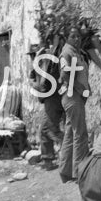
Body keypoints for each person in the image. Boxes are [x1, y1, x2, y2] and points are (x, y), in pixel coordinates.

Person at [57, 25, 101, 183]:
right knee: (80, 134)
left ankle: (65, 171)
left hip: (75, 96)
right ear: (67, 38)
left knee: (71, 133)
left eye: (78, 36)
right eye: (73, 36)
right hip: (72, 96)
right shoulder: (67, 52)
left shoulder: (76, 52)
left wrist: (86, 88)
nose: (76, 39)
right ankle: (79, 172)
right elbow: (64, 75)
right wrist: (80, 89)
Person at [28, 38, 64, 170]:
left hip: (53, 99)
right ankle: (48, 159)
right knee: (44, 130)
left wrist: (34, 85)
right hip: (50, 99)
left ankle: (69, 148)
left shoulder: (46, 64)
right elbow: (33, 78)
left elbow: (42, 86)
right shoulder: (39, 66)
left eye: (34, 55)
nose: (32, 58)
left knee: (48, 129)